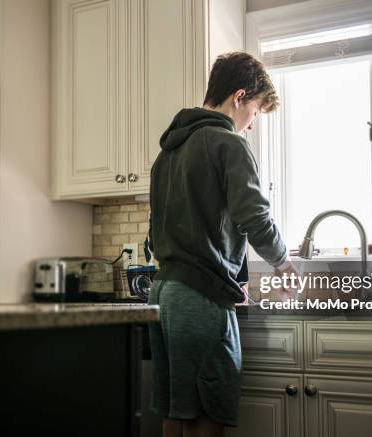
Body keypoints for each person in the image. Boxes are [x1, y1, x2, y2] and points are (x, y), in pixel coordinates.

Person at [147, 51, 296, 437]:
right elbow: (255, 219)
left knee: (175, 410)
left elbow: (167, 231)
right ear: (239, 96)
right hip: (199, 299)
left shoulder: (167, 152)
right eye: (256, 112)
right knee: (208, 409)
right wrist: (284, 263)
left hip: (162, 295)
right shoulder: (228, 144)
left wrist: (233, 277)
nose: (252, 124)